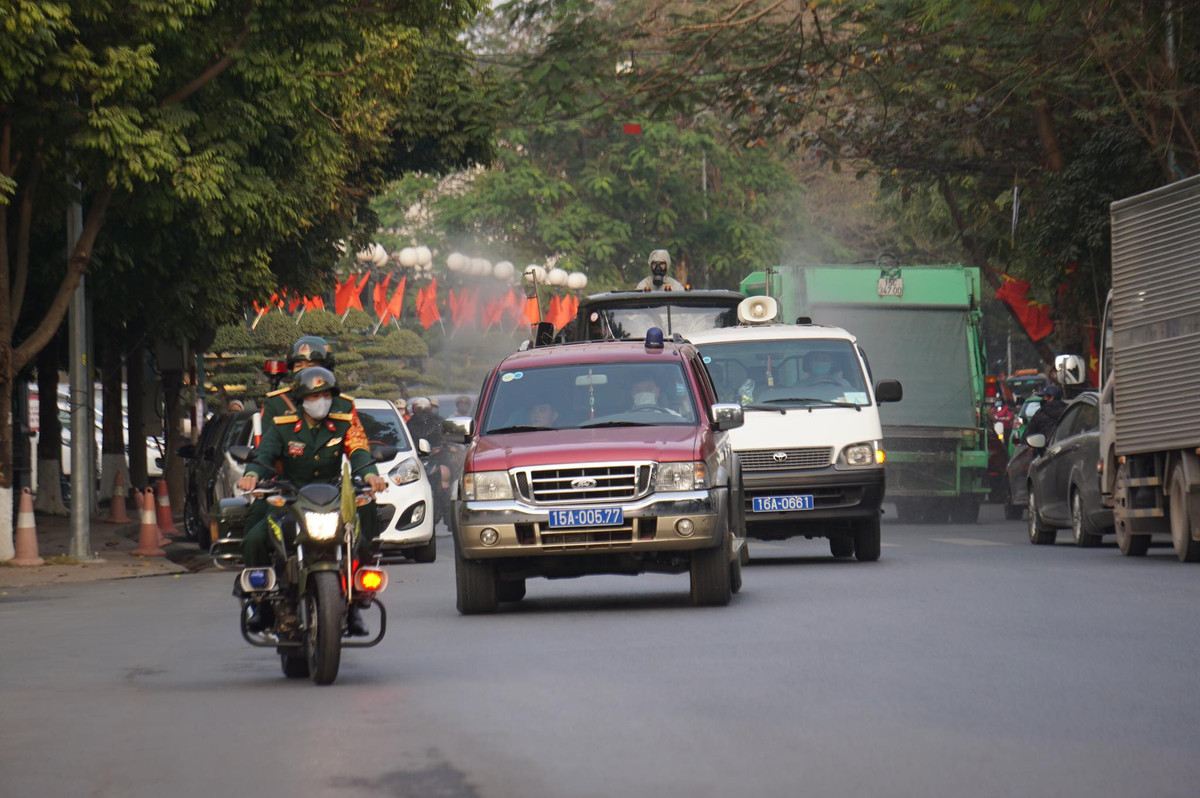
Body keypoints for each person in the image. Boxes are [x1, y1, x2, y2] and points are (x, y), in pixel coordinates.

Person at [235, 367, 387, 635]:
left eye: (326, 395)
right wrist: (251, 476)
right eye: (315, 396)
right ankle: (261, 603)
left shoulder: (342, 423)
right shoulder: (283, 427)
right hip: (290, 498)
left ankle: (354, 602)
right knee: (256, 539)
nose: (321, 401)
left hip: (332, 499)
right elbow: (264, 454)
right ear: (302, 399)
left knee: (359, 540)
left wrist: (371, 475)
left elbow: (359, 451)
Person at [1024, 383, 1066, 449]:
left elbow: (1029, 434)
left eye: (1044, 397)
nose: (1042, 399)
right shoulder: (1068, 410)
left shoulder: (1040, 413)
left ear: (1051, 398)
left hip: (1045, 449)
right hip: (1066, 447)